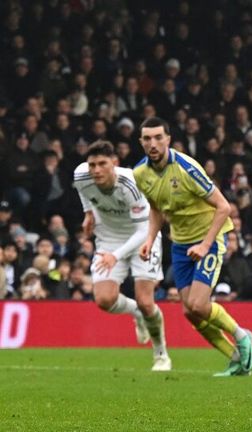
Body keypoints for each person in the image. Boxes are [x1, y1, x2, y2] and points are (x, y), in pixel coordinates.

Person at [133, 117, 252, 377]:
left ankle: (242, 336)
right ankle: (235, 358)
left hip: (208, 238)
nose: (152, 143)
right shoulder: (140, 174)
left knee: (199, 304)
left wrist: (205, 244)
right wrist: (149, 239)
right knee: (189, 311)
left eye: (158, 137)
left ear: (168, 139)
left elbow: (224, 207)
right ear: (141, 142)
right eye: (147, 138)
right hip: (180, 243)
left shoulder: (187, 168)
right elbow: (156, 208)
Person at [73, 141, 170, 371]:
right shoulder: (81, 175)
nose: (96, 170)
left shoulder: (130, 183)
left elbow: (142, 231)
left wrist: (115, 256)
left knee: (147, 302)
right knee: (104, 300)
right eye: (92, 164)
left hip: (144, 237)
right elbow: (84, 193)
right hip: (108, 237)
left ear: (114, 164)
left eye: (102, 164)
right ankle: (135, 313)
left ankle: (161, 354)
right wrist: (88, 213)